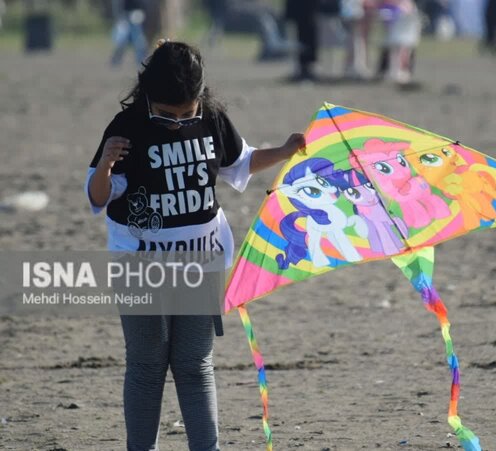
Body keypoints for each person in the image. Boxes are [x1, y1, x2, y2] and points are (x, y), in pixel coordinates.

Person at [85, 40, 305, 451]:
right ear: (147, 95)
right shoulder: (126, 128)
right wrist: (105, 165)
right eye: (167, 114)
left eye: (187, 112)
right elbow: (98, 197)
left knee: (194, 364)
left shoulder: (212, 118)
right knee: (147, 365)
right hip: (140, 265)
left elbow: (239, 163)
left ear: (200, 98)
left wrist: (285, 151)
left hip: (202, 262)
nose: (178, 122)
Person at [285, 0, 320, 81]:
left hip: (309, 10)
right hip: (298, 8)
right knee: (296, 38)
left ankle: (307, 67)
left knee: (309, 36)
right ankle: (298, 68)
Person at [110, 0, 148, 66]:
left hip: (135, 14)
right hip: (125, 14)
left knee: (138, 40)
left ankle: (141, 60)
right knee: (122, 40)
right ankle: (115, 60)